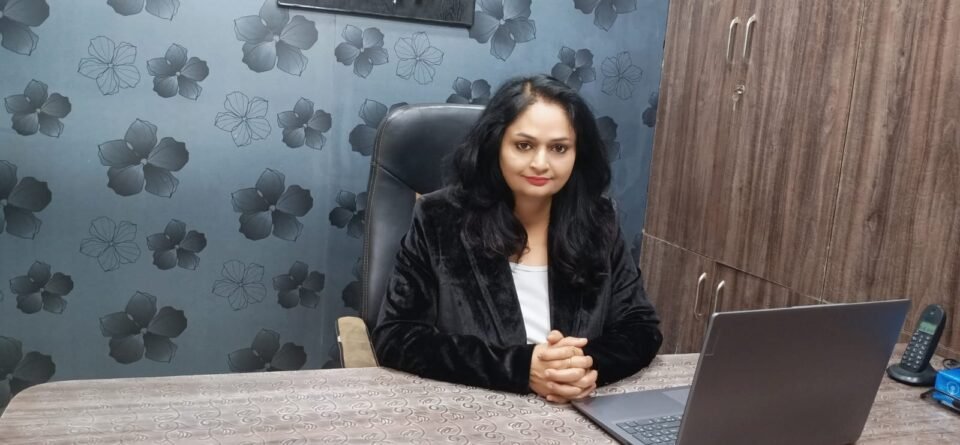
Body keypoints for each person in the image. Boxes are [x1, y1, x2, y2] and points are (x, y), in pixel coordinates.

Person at [373, 74, 662, 403]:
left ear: (576, 154)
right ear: (496, 144)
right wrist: (521, 368)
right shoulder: (439, 218)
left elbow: (641, 326)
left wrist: (581, 367)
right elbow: (396, 335)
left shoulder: (599, 220)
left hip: (577, 407)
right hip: (476, 410)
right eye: (524, 145)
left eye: (559, 148)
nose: (541, 163)